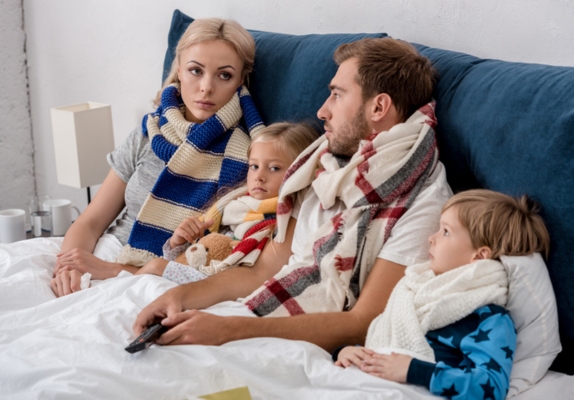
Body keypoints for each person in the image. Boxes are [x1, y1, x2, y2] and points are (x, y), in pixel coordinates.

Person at [133, 37, 453, 352]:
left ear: (379, 107)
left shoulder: (423, 200)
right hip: (262, 307)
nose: (322, 111)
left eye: (337, 95)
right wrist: (179, 296)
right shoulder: (324, 166)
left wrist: (230, 330)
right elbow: (263, 271)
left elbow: (365, 320)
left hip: (304, 338)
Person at [50, 18, 265, 297]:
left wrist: (115, 272)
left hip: (163, 277)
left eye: (224, 75)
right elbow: (90, 222)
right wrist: (70, 266)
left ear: (240, 80)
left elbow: (213, 262)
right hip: (107, 253)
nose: (206, 87)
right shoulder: (149, 131)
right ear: (178, 70)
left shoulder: (247, 158)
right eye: (195, 71)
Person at [333, 189, 550, 400]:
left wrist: (414, 370)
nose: (431, 238)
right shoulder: (414, 293)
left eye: (445, 231)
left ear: (480, 255)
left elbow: (491, 387)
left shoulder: (489, 319)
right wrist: (349, 352)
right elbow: (390, 344)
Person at [135, 122, 320, 283]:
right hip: (203, 274)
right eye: (254, 166)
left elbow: (251, 273)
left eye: (274, 168)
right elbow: (194, 258)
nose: (259, 177)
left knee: (154, 267)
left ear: (301, 174)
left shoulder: (286, 222)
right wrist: (179, 243)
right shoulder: (232, 207)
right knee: (153, 269)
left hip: (224, 282)